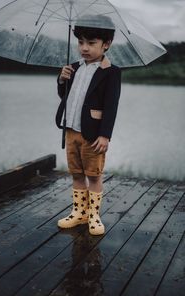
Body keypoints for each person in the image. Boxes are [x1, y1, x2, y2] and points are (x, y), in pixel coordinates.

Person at [55, 15, 121, 235]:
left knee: (93, 174)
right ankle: (79, 212)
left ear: (106, 44)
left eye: (91, 43)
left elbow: (111, 106)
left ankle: (93, 215)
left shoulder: (111, 72)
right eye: (81, 42)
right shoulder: (73, 67)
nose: (84, 48)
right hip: (71, 130)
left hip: (92, 134)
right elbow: (64, 96)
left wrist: (105, 135)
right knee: (76, 173)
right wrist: (62, 80)